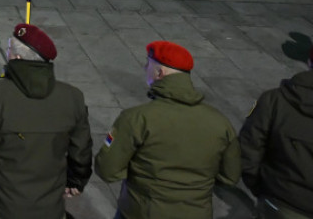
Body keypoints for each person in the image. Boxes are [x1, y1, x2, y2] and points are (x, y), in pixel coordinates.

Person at [95, 41, 241, 219]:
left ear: (159, 73)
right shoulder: (220, 122)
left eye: (148, 64)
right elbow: (230, 176)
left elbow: (107, 170)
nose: (145, 68)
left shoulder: (136, 118)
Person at [0, 24, 92, 219]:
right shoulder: (73, 97)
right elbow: (81, 150)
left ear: (16, 57)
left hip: (1, 207)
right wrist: (76, 182)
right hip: (49, 208)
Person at [238, 46, 313, 219]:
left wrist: (262, 189)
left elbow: (248, 150)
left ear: (309, 62)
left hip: (280, 203)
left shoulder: (274, 100)